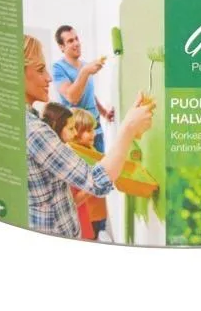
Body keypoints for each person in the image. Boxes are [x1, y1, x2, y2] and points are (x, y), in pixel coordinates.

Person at [23, 35, 152, 239]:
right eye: (40, 70)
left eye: (77, 38)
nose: (48, 78)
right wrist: (128, 128)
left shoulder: (29, 119)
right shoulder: (35, 131)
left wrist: (105, 112)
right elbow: (97, 182)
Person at [52, 25, 114, 152]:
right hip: (78, 133)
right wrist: (85, 72)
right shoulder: (58, 68)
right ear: (61, 47)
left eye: (76, 39)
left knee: (101, 163)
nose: (76, 43)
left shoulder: (85, 65)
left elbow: (89, 93)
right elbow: (72, 97)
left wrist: (104, 113)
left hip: (96, 129)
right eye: (70, 41)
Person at [40, 102, 93, 240]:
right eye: (71, 128)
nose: (74, 133)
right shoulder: (59, 160)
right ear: (56, 127)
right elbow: (73, 200)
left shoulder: (67, 151)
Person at [72, 108, 109, 239]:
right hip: (88, 214)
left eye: (93, 130)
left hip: (97, 210)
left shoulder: (89, 148)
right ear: (75, 132)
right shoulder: (77, 154)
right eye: (88, 131)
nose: (93, 134)